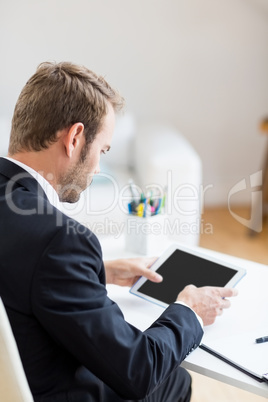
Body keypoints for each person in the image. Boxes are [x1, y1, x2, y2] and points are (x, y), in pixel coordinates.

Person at [0, 61, 238, 402]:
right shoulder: (59, 241)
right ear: (74, 138)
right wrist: (190, 310)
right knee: (173, 380)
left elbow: (16, 267)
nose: (97, 168)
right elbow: (138, 370)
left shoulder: (47, 244)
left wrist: (100, 271)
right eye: (103, 151)